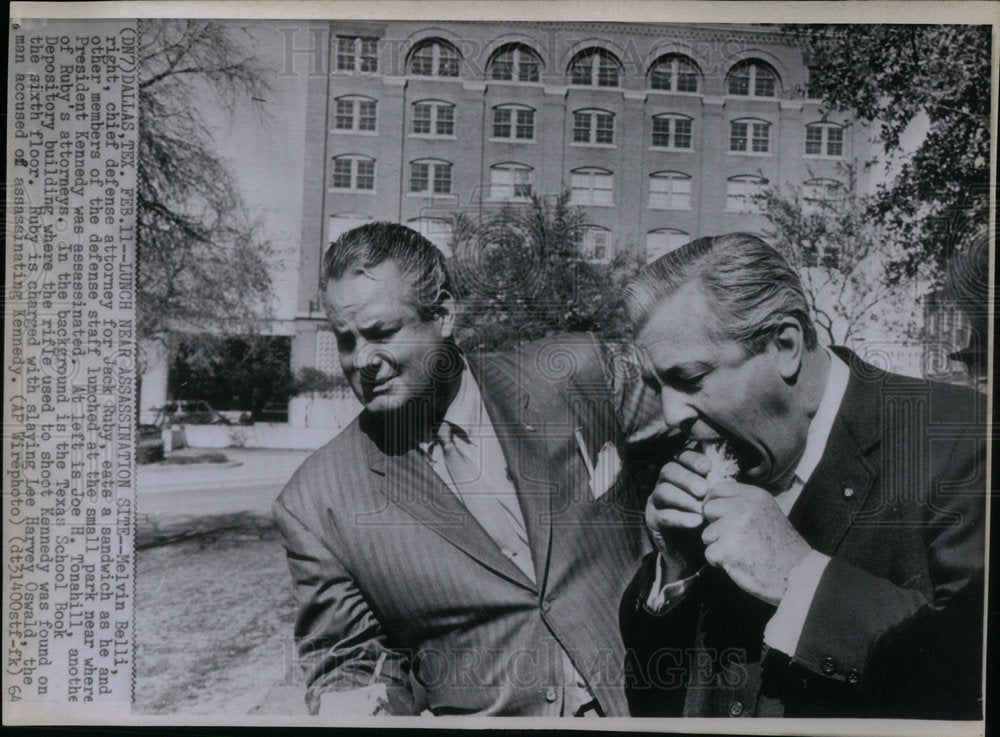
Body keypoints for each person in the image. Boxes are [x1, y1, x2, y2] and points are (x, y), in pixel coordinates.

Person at [273, 222, 668, 716]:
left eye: (381, 332)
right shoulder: (316, 500)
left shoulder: (574, 374)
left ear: (442, 315)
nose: (363, 361)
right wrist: (355, 703)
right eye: (346, 340)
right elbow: (349, 660)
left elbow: (707, 415)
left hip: (652, 708)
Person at [619, 233, 985, 719]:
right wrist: (674, 573)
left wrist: (799, 578)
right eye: (656, 386)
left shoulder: (962, 439)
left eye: (689, 379)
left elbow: (969, 681)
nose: (670, 414)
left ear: (785, 344)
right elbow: (651, 701)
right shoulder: (703, 451)